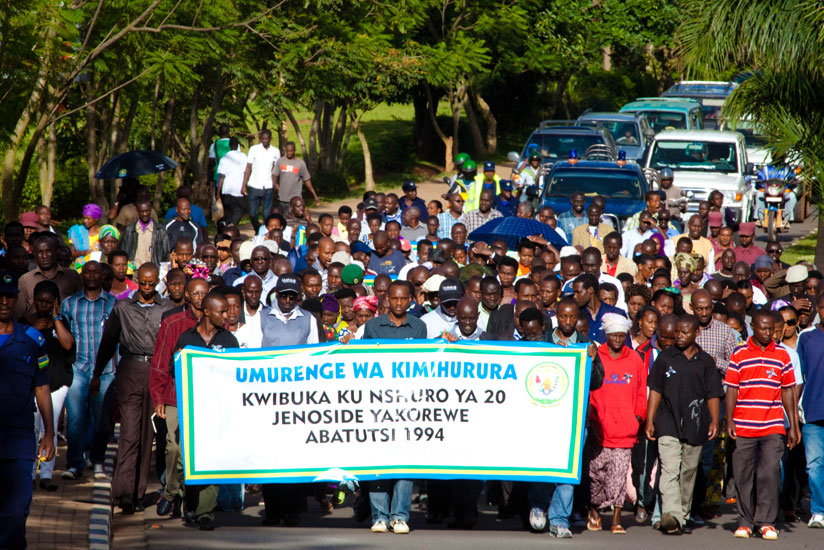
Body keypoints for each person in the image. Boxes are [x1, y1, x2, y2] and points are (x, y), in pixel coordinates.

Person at [92, 263, 174, 513]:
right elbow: (108, 343)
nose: (147, 288)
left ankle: (138, 494)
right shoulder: (123, 308)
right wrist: (97, 372)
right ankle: (123, 493)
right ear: (137, 281)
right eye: (143, 283)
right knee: (129, 433)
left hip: (158, 372)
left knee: (149, 435)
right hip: (130, 369)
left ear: (157, 281)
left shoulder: (168, 309)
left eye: (152, 283)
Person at [646, 315, 723, 535]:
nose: (678, 336)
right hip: (667, 421)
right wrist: (650, 420)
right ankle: (671, 515)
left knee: (688, 472)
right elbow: (655, 390)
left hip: (696, 423)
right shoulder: (665, 358)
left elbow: (713, 394)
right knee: (669, 469)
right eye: (676, 332)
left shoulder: (706, 361)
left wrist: (715, 420)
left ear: (696, 333)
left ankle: (682, 514)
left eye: (684, 332)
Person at [725, 310, 798, 540]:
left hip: (772, 425)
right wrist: (729, 420)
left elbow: (788, 390)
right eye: (763, 328)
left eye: (771, 329)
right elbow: (732, 389)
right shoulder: (739, 354)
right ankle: (746, 521)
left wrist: (793, 425)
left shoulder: (782, 355)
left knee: (769, 473)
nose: (768, 333)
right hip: (744, 425)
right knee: (743, 475)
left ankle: (766, 521)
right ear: (753, 327)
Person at [169, 291, 238, 530]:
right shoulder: (186, 339)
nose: (227, 316)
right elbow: (173, 370)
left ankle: (206, 511)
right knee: (186, 461)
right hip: (191, 410)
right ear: (207, 312)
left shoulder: (229, 341)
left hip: (217, 412)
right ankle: (185, 500)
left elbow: (236, 374)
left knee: (211, 460)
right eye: (222, 311)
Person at [362, 280, 426, 534]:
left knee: (404, 462)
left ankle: (399, 516)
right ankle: (379, 515)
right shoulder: (373, 326)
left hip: (408, 405)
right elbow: (363, 361)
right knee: (377, 460)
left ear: (411, 299)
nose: (399, 303)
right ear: (386, 299)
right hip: (378, 403)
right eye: (394, 299)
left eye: (404, 299)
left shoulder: (419, 326)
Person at [0, 270, 55, 550]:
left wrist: (49, 434)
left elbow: (42, 388)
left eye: (9, 297)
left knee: (15, 513)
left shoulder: (33, 341)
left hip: (20, 441)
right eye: (0, 296)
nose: (4, 302)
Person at [259, 273, 319, 525]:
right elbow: (249, 353)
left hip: (298, 398)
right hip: (266, 397)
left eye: (292, 296)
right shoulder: (261, 318)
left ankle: (293, 510)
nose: (286, 300)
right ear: (276, 295)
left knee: (294, 456)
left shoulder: (308, 320)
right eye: (283, 295)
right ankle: (273, 511)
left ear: (298, 297)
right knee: (269, 456)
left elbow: (316, 356)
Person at [150, 277, 209, 519]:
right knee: (174, 448)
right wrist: (158, 398)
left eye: (204, 292)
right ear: (187, 295)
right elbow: (160, 362)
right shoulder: (172, 322)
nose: (199, 297)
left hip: (205, 399)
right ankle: (171, 492)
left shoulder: (216, 323)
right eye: (195, 293)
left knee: (194, 453)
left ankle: (191, 501)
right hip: (175, 395)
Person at [587, 313, 647, 534]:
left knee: (619, 477)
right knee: (596, 475)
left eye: (622, 336)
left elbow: (642, 392)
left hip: (625, 429)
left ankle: (616, 518)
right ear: (607, 335)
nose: (618, 340)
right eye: (614, 335)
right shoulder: (596, 356)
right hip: (600, 428)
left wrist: (638, 417)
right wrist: (592, 420)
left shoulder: (635, 359)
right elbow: (590, 390)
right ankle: (593, 509)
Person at [59, 261, 117, 480]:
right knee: (75, 418)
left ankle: (98, 461)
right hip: (79, 369)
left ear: (102, 276)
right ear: (82, 276)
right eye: (87, 272)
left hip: (106, 371)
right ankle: (75, 464)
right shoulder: (69, 304)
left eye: (96, 272)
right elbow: (62, 335)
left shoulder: (113, 304)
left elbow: (118, 341)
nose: (92, 276)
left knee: (101, 419)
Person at [25, 281, 74, 491]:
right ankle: (28, 475)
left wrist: (55, 319)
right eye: (40, 301)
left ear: (55, 303)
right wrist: (33, 329)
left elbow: (68, 345)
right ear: (34, 301)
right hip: (31, 385)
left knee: (49, 428)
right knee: (32, 429)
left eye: (48, 302)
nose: (44, 305)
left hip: (55, 383)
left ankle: (46, 474)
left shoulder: (61, 322)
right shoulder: (24, 323)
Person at [797, 292, 824, 528]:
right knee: (814, 464)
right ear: (818, 309)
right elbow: (799, 377)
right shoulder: (806, 337)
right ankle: (818, 510)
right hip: (813, 411)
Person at [14, 234, 82, 319]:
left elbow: (82, 307)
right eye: (40, 252)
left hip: (66, 328)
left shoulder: (72, 276)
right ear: (34, 254)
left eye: (48, 251)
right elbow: (18, 315)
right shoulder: (25, 280)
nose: (44, 256)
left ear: (56, 252)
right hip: (35, 329)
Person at [241, 129, 280, 232]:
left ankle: (265, 233)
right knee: (252, 213)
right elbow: (248, 167)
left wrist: (275, 183)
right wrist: (244, 184)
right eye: (262, 138)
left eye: (266, 138)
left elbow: (276, 169)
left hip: (268, 186)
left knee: (267, 214)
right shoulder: (254, 149)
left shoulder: (275, 151)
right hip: (254, 185)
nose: (264, 141)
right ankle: (258, 230)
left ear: (270, 139)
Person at [121, 199, 170, 268]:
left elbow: (166, 254)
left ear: (151, 210)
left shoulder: (160, 231)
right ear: (137, 211)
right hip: (134, 271)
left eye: (147, 211)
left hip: (154, 271)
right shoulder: (130, 230)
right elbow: (124, 252)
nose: (145, 214)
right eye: (142, 211)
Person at [274, 141, 319, 209]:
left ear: (294, 150)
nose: (289, 153)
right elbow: (274, 174)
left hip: (295, 199)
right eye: (287, 151)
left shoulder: (300, 163)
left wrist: (315, 195)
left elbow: (307, 180)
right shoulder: (280, 161)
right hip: (282, 199)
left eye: (291, 151)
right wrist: (275, 183)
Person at [216, 136, 247, 226]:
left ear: (229, 145)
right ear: (238, 145)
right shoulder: (243, 156)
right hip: (239, 190)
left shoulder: (224, 158)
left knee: (228, 213)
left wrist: (218, 192)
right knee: (239, 210)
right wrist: (244, 186)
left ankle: (229, 227)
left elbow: (221, 176)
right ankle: (232, 226)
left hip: (226, 190)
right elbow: (246, 173)